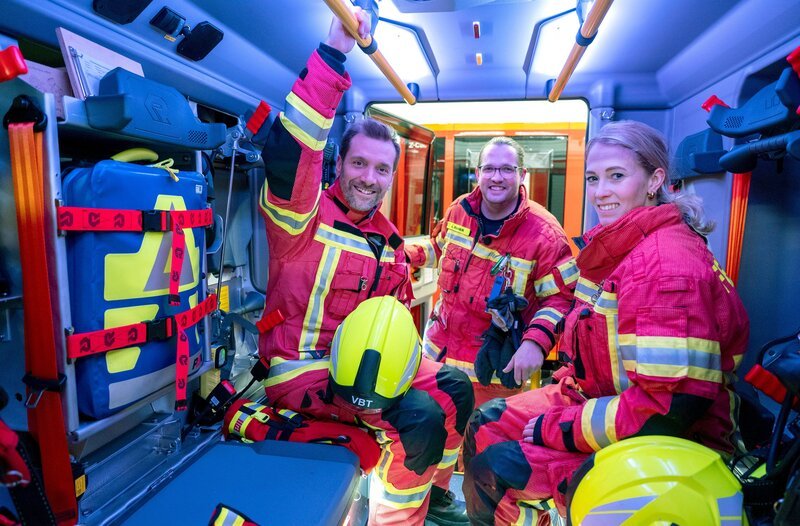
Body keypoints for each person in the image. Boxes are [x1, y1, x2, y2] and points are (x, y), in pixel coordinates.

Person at [462, 120, 750, 525]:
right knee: (487, 421)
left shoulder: (665, 267)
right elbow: (584, 330)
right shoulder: (617, 247)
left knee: (493, 470)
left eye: (617, 176)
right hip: (600, 399)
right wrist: (543, 358)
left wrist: (559, 428)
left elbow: (665, 410)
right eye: (594, 178)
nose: (600, 192)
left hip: (668, 443)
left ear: (655, 180)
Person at [255, 9, 473, 526]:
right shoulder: (300, 220)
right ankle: (393, 518)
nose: (368, 178)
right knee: (417, 419)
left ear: (393, 176)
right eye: (359, 163)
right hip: (302, 366)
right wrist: (334, 51)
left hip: (367, 361)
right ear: (338, 165)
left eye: (381, 169)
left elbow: (393, 310)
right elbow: (293, 150)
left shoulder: (389, 240)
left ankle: (431, 493)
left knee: (457, 389)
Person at [405, 137, 576, 409]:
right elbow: (439, 248)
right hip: (437, 361)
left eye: (507, 169)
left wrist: (535, 343)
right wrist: (404, 254)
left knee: (481, 447)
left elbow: (561, 299)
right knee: (435, 444)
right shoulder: (460, 210)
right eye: (489, 169)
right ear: (478, 174)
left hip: (493, 375)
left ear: (522, 175)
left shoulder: (546, 235)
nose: (497, 177)